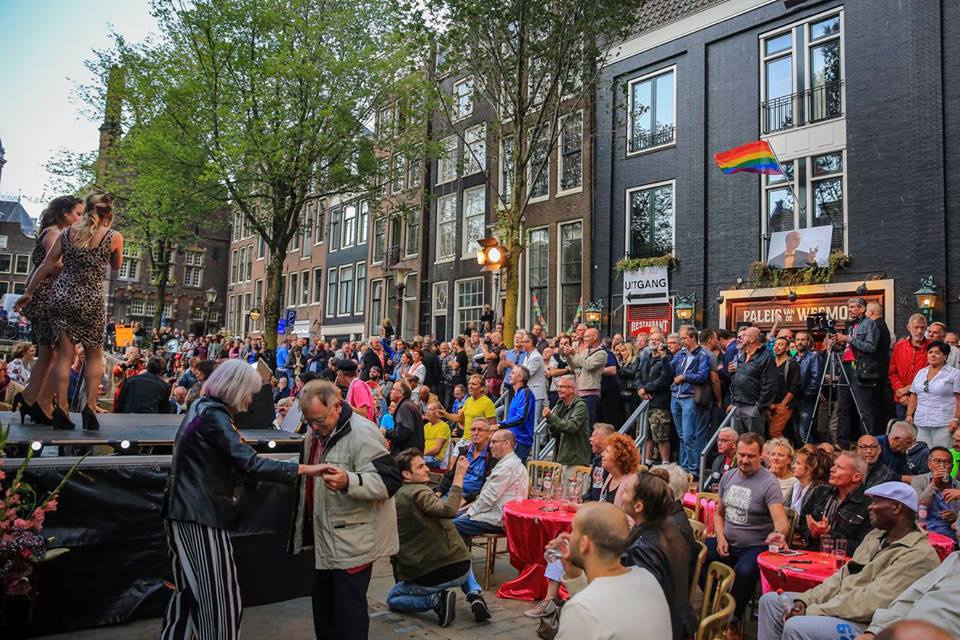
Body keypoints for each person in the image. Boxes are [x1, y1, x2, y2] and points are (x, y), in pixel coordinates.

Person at [159, 359, 327, 640]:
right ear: (236, 389)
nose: (250, 400)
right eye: (249, 393)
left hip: (187, 512)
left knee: (189, 593)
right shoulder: (213, 416)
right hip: (200, 515)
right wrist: (306, 469)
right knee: (220, 598)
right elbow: (248, 463)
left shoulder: (202, 409)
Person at [290, 380, 402, 640]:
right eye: (309, 422)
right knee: (325, 610)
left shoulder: (362, 433)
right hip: (327, 537)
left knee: (348, 615)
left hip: (353, 542)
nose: (314, 428)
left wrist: (349, 481)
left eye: (319, 420)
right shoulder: (315, 431)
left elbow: (389, 481)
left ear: (336, 406)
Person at [757, 481, 940, 640]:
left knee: (797, 625)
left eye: (876, 501)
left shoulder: (918, 554)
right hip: (843, 605)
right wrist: (805, 601)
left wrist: (814, 610)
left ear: (897, 507)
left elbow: (871, 602)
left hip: (869, 624)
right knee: (771, 602)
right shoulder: (876, 536)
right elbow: (841, 577)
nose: (869, 507)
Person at [15, 191, 123, 431]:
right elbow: (116, 266)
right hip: (91, 299)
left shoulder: (66, 233)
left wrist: (29, 292)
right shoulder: (114, 236)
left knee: (64, 355)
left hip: (62, 296)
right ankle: (89, 407)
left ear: (86, 211)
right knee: (94, 355)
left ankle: (61, 409)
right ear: (109, 213)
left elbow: (45, 265)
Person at [387, 449, 491, 627]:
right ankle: (474, 594)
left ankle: (436, 601)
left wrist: (459, 476)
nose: (427, 469)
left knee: (393, 598)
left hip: (435, 574)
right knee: (457, 549)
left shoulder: (408, 494)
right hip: (461, 567)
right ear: (406, 474)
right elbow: (449, 511)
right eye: (421, 466)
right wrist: (458, 475)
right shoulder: (419, 492)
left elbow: (448, 511)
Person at [702, 432, 789, 637]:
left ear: (761, 456)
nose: (745, 460)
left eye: (751, 456)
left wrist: (778, 534)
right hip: (728, 541)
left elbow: (781, 522)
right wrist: (721, 538)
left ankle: (731, 620)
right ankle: (720, 599)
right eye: (742, 455)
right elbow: (719, 514)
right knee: (694, 553)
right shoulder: (729, 476)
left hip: (755, 545)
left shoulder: (769, 483)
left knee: (745, 570)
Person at [552, 503, 671, 640]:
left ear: (584, 543)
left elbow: (592, 611)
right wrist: (574, 575)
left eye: (573, 530)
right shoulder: (647, 578)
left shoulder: (580, 610)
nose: (568, 537)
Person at [13, 195, 82, 424]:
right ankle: (39, 402)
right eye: (77, 214)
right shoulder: (54, 234)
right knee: (59, 353)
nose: (80, 219)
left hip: (43, 298)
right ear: (65, 212)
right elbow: (53, 266)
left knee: (49, 354)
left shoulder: (52, 232)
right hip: (46, 299)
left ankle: (31, 399)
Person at [857, 548, 960, 640]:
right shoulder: (955, 558)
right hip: (896, 631)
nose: (955, 527)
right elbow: (910, 599)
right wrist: (874, 632)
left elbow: (869, 601)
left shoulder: (919, 553)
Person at [453, 430, 528, 540]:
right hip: (497, 512)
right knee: (451, 516)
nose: (490, 446)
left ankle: (461, 557)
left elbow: (488, 498)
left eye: (494, 442)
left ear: (507, 444)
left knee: (453, 525)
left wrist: (469, 513)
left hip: (499, 518)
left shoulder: (507, 466)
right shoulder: (508, 462)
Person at [796, 450, 872, 553]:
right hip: (812, 556)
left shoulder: (869, 506)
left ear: (856, 477)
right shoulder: (820, 492)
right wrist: (813, 533)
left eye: (839, 467)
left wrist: (828, 533)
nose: (832, 469)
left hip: (845, 564)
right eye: (834, 465)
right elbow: (802, 524)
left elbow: (863, 548)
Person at [830, 297, 881, 444]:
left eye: (853, 307)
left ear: (862, 309)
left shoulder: (869, 324)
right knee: (842, 407)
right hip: (845, 367)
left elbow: (870, 347)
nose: (850, 310)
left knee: (863, 409)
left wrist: (848, 339)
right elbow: (847, 349)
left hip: (859, 368)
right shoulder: (851, 326)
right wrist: (838, 343)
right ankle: (842, 443)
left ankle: (866, 443)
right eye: (849, 307)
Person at [670, 325, 712, 475]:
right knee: (681, 436)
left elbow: (702, 376)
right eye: (680, 338)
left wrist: (685, 377)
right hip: (676, 396)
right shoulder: (681, 354)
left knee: (689, 436)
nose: (682, 341)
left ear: (693, 338)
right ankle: (685, 466)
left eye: (684, 338)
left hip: (689, 397)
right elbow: (669, 369)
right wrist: (663, 356)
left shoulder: (702, 355)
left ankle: (694, 470)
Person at [905, 341, 960, 449]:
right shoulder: (921, 373)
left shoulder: (955, 374)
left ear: (945, 356)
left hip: (944, 423)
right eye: (930, 352)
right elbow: (914, 395)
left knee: (941, 455)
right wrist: (909, 414)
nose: (933, 355)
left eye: (937, 353)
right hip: (921, 423)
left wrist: (956, 419)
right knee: (923, 455)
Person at [729, 327, 777, 436]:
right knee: (738, 440)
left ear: (752, 339)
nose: (740, 338)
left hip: (752, 406)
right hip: (738, 404)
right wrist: (733, 401)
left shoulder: (766, 356)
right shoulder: (742, 355)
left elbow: (770, 383)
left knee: (754, 441)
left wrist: (759, 406)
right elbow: (738, 378)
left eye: (744, 336)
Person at [436, 418, 496, 502]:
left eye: (480, 430)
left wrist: (467, 499)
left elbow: (487, 486)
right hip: (452, 494)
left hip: (472, 500)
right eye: (473, 429)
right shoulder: (465, 451)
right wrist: (439, 491)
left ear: (488, 433)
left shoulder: (492, 456)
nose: (476, 433)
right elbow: (450, 475)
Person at [543, 375, 592, 471]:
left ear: (572, 389)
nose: (559, 389)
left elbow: (572, 427)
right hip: (560, 458)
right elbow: (555, 431)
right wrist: (551, 425)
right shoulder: (560, 405)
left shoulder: (580, 406)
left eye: (562, 387)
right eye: (558, 387)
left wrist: (551, 417)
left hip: (575, 460)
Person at [910, 446, 959, 540]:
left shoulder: (958, 486)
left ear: (952, 467)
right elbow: (917, 508)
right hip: (924, 533)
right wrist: (933, 483)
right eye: (937, 461)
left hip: (951, 534)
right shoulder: (918, 481)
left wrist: (955, 516)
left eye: (946, 462)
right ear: (929, 464)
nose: (942, 465)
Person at [889, 314, 930, 420]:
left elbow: (933, 374)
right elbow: (892, 372)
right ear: (909, 327)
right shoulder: (899, 346)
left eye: (922, 327)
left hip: (923, 398)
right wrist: (900, 392)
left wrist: (908, 388)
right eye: (916, 327)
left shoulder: (932, 347)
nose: (920, 331)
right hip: (902, 398)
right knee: (903, 432)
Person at [564, 327, 607, 427]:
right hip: (579, 391)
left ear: (595, 337)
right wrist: (567, 356)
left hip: (591, 393)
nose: (585, 339)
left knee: (588, 423)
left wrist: (574, 353)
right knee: (579, 423)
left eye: (587, 336)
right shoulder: (585, 352)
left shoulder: (602, 353)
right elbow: (574, 365)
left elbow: (589, 365)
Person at [640, 341, 674, 465]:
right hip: (645, 401)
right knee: (647, 434)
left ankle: (665, 463)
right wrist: (641, 389)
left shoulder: (667, 358)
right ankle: (647, 461)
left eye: (657, 339)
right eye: (651, 338)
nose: (653, 341)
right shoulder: (646, 358)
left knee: (661, 435)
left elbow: (666, 378)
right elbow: (638, 375)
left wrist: (647, 388)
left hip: (660, 401)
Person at [498, 365, 536, 463]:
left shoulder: (526, 393)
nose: (510, 375)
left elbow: (521, 417)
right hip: (513, 439)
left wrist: (501, 424)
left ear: (520, 377)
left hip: (521, 441)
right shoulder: (517, 394)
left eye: (513, 373)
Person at [440, 374, 496, 439]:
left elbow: (493, 427)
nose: (470, 386)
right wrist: (445, 414)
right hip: (465, 440)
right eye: (469, 384)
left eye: (474, 384)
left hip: (478, 441)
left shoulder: (488, 403)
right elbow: (459, 418)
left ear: (482, 388)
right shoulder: (468, 400)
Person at [793, 330, 822, 443]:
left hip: (806, 400)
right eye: (798, 339)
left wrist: (806, 395)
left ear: (808, 342)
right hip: (793, 399)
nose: (800, 342)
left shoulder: (813, 357)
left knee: (804, 431)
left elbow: (816, 379)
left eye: (803, 339)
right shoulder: (793, 357)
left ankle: (811, 457)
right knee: (795, 431)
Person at [769, 337, 800, 439]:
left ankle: (787, 452)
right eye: (775, 344)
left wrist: (783, 404)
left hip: (784, 405)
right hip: (769, 404)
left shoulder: (792, 363)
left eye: (780, 345)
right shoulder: (770, 362)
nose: (776, 347)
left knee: (774, 432)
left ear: (787, 348)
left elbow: (795, 386)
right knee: (773, 431)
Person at [787, 444, 831, 516]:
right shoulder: (796, 485)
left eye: (798, 463)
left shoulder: (819, 491)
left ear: (810, 469)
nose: (793, 466)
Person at [383, 380, 424, 454]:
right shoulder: (409, 405)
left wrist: (386, 433)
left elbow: (403, 432)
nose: (390, 391)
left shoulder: (404, 407)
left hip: (407, 455)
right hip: (412, 453)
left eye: (393, 389)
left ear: (400, 393)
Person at [582, 423, 616, 501]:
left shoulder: (613, 465)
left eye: (594, 436)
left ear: (605, 440)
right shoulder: (597, 461)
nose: (590, 439)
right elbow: (590, 492)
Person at [521, 332, 548, 418]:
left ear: (530, 342)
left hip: (536, 393)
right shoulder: (527, 356)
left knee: (535, 421)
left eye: (524, 341)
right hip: (530, 393)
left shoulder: (536, 357)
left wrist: (512, 366)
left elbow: (526, 374)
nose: (522, 344)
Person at [422, 402, 452, 468]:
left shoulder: (443, 426)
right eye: (427, 409)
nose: (427, 412)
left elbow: (436, 449)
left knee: (415, 461)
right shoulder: (426, 426)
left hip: (436, 459)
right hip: (425, 456)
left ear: (437, 412)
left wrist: (420, 454)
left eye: (430, 409)